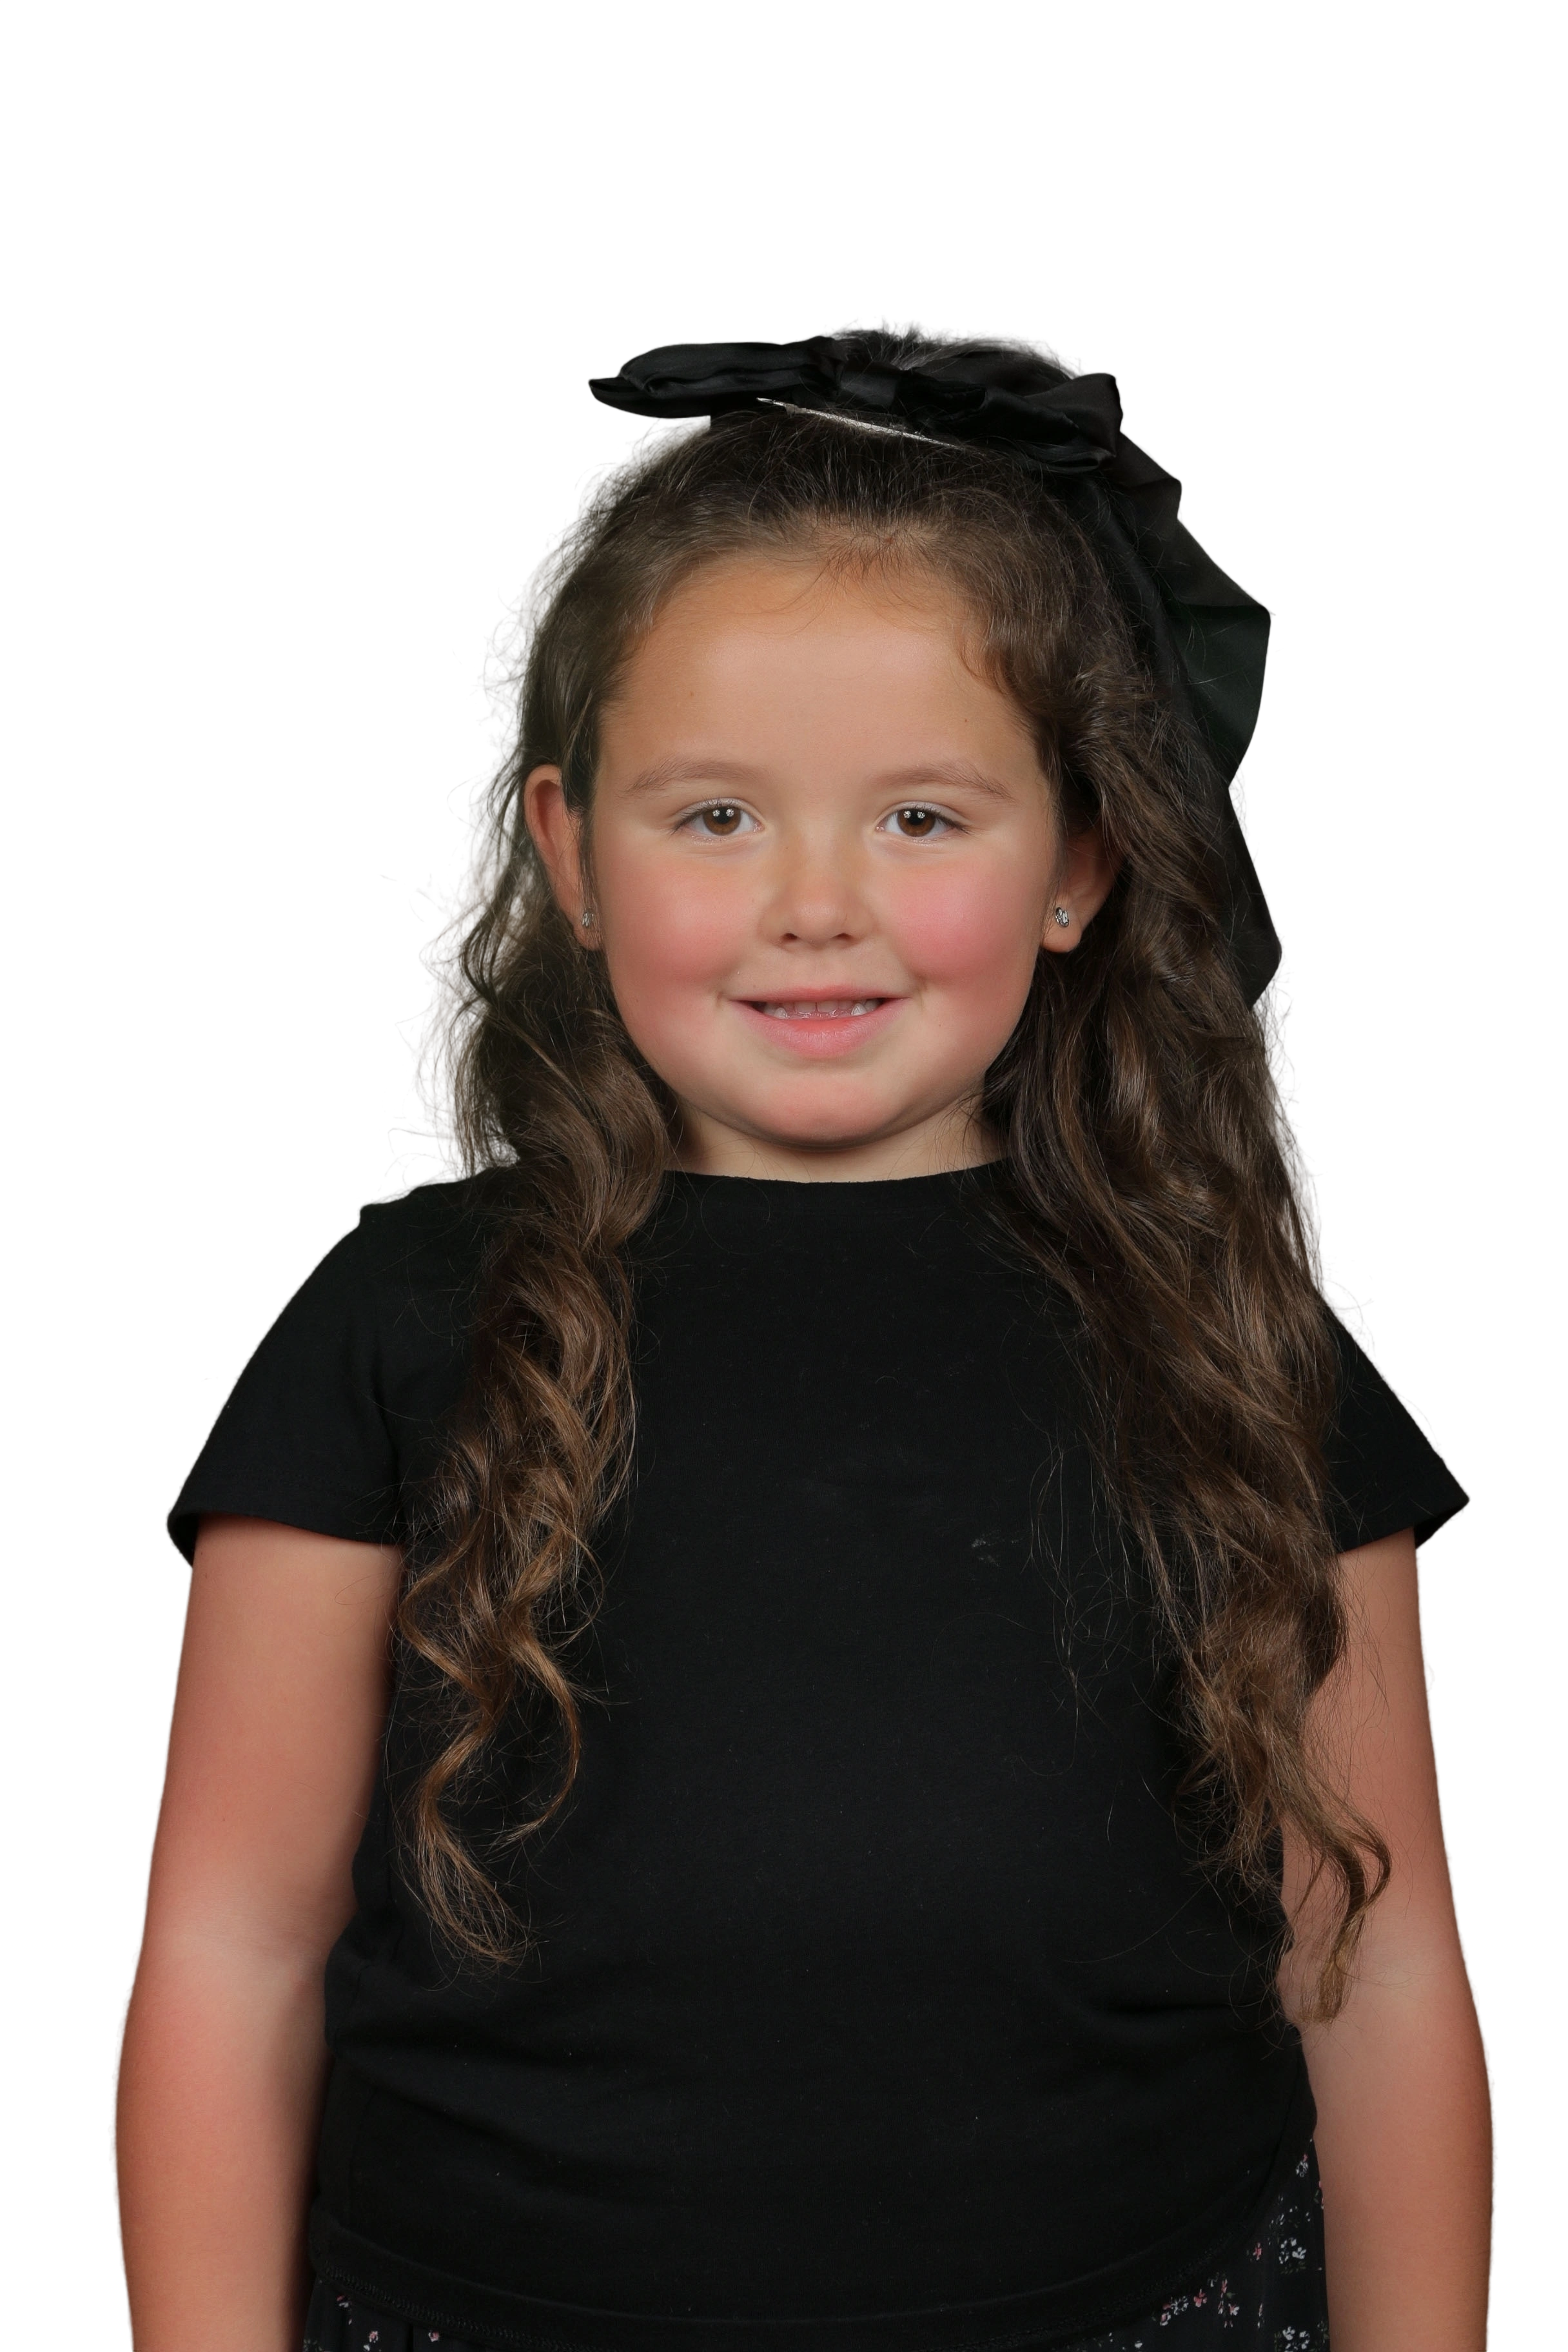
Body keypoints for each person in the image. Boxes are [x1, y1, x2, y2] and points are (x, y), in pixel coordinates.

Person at [110, 317, 1496, 2352]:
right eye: (716, 818)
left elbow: (1373, 1967)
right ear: (573, 854)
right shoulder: (401, 1321)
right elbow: (233, 1947)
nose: (815, 904)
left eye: (922, 818)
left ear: (1079, 864)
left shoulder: (1237, 1337)